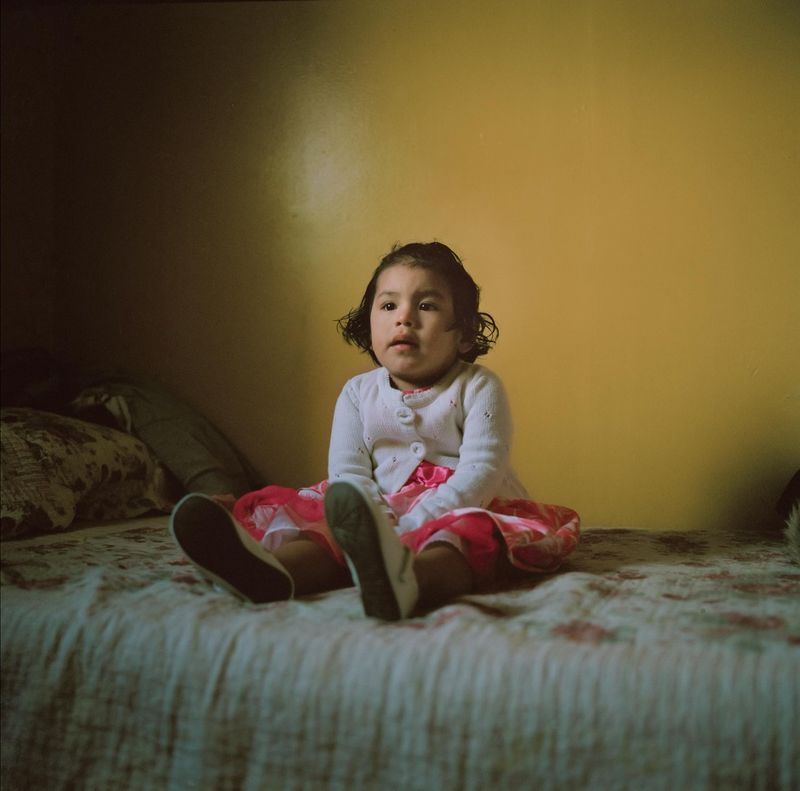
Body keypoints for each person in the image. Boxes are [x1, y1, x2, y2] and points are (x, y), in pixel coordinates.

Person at [170, 241, 580, 620]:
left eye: (427, 305)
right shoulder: (357, 393)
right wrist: (373, 520)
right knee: (322, 528)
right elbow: (348, 471)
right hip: (372, 508)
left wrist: (420, 520)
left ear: (464, 334)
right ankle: (271, 572)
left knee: (460, 540)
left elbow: (483, 470)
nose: (404, 316)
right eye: (388, 306)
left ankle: (409, 580)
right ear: (369, 326)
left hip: (461, 503)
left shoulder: (478, 385)